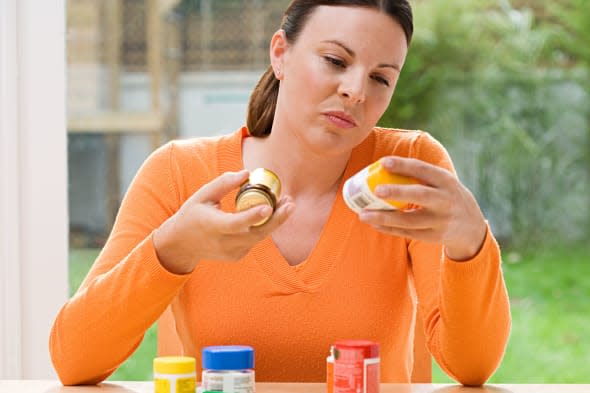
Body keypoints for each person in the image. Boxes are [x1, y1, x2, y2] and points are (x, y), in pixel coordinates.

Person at [50, 0, 510, 387]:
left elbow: (470, 367)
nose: (355, 91)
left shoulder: (405, 170)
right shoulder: (179, 173)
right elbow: (74, 359)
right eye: (335, 61)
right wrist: (171, 249)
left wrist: (469, 242)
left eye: (380, 77)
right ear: (280, 53)